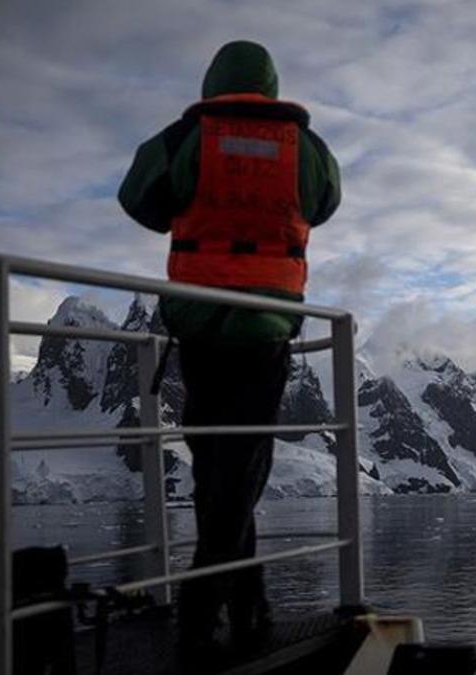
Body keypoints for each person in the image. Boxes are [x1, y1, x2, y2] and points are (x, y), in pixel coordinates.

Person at [117, 40, 341, 654]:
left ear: (213, 82)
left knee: (217, 463)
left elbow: (139, 199)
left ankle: (222, 602)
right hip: (266, 326)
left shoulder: (186, 139)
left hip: (200, 322)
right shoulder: (308, 149)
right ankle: (233, 604)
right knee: (240, 465)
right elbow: (325, 203)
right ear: (271, 86)